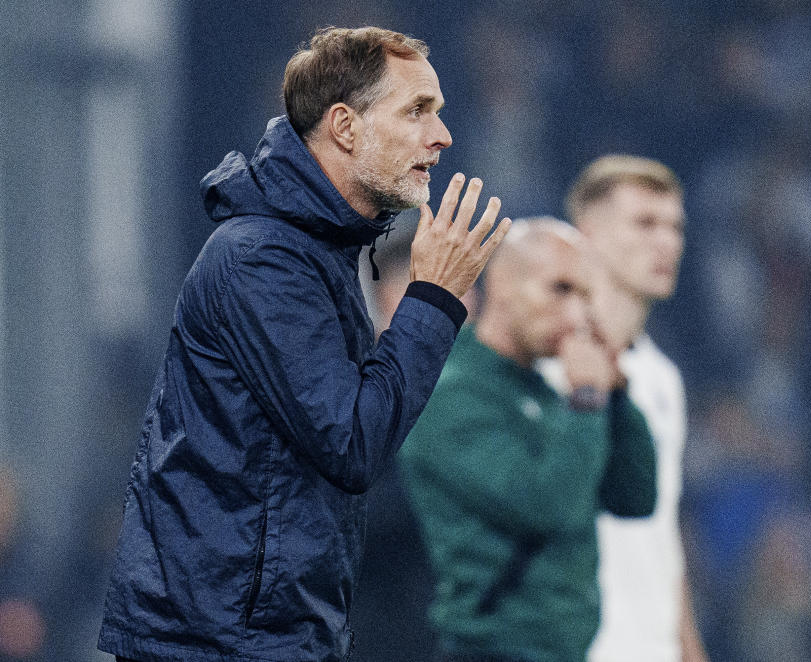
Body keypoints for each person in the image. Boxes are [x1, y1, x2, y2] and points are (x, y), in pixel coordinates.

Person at [97, 26, 511, 662]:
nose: (441, 135)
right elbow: (351, 444)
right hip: (220, 642)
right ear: (344, 127)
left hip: (260, 633)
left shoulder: (319, 253)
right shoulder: (263, 259)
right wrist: (434, 297)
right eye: (416, 111)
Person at [400, 217, 657, 662]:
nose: (577, 315)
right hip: (489, 651)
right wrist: (587, 398)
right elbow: (544, 505)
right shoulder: (449, 392)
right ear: (502, 285)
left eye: (586, 296)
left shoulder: (540, 393)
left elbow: (634, 496)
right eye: (560, 289)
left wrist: (614, 394)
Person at [557, 155, 709, 662]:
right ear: (588, 233)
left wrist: (689, 649)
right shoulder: (546, 364)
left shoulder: (664, 380)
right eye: (645, 223)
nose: (667, 242)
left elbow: (661, 533)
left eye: (675, 227)